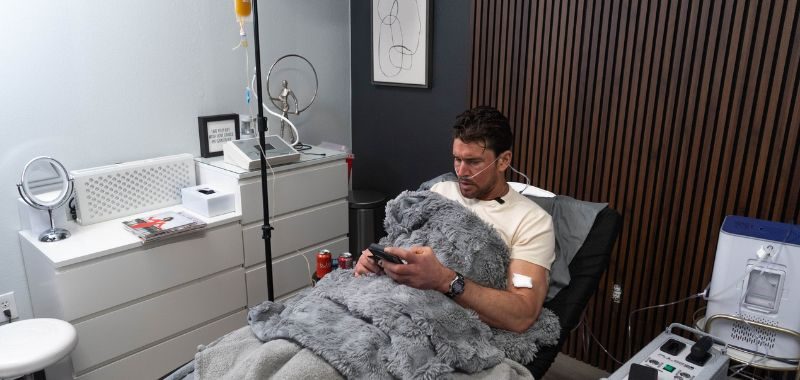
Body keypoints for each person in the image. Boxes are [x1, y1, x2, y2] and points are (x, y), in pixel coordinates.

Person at [354, 106, 555, 333]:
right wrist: (375, 259)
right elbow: (400, 241)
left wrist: (444, 280)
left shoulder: (531, 221)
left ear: (503, 161)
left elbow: (522, 313)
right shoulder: (440, 191)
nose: (461, 171)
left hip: (439, 323)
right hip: (387, 299)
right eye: (457, 159)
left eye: (473, 162)